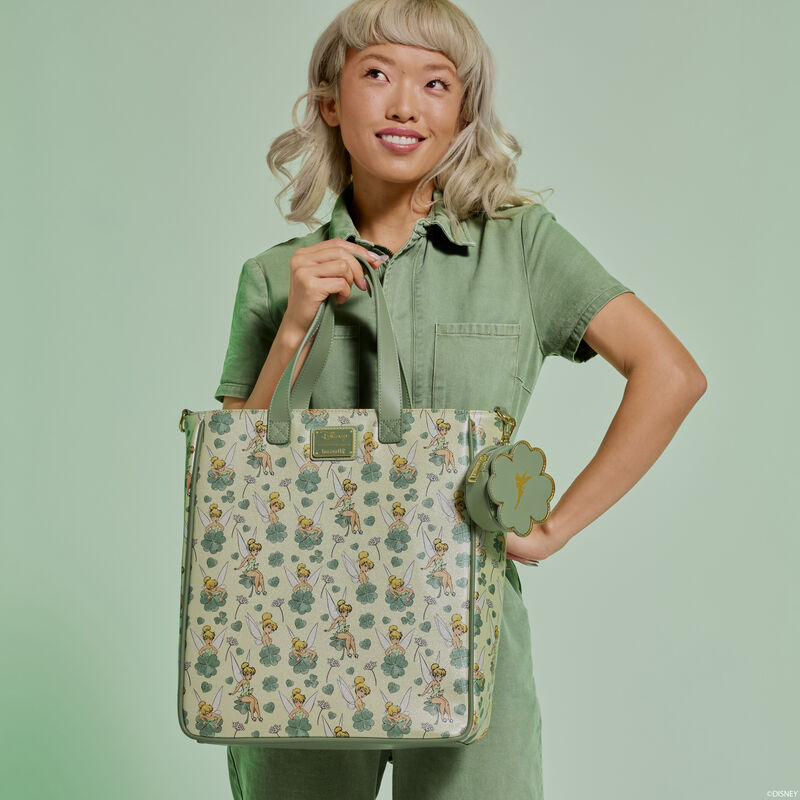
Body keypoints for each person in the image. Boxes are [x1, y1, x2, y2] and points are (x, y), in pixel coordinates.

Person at [215, 1, 707, 797]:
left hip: (468, 637)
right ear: (331, 103)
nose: (406, 104)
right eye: (378, 74)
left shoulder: (523, 246)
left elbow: (671, 374)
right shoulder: (275, 278)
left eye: (436, 83)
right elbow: (231, 480)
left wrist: (554, 528)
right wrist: (293, 328)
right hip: (294, 638)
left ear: (463, 112)